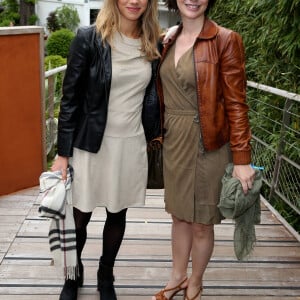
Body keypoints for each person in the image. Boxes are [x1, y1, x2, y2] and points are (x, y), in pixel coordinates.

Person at [50, 0, 161, 300]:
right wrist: (62, 155)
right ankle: (73, 274)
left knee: (117, 213)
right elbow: (69, 99)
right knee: (80, 217)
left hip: (130, 144)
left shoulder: (154, 44)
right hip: (89, 144)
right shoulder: (89, 38)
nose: (134, 1)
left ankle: (105, 274)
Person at [152, 0, 256, 300]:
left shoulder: (225, 39)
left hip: (207, 141)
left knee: (200, 222)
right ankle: (176, 277)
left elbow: (237, 103)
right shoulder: (166, 39)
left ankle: (195, 282)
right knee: (178, 216)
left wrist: (242, 159)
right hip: (174, 141)